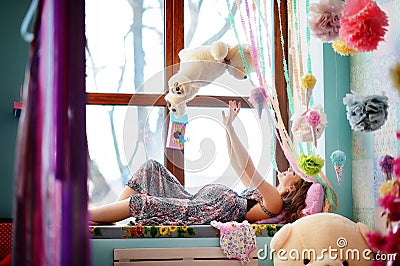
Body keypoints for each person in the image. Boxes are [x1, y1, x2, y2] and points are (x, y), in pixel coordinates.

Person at [89, 100, 311, 225]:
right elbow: (238, 164)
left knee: (141, 203)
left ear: (292, 187)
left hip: (204, 210)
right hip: (195, 200)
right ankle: (107, 219)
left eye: (293, 172)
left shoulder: (275, 202)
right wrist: (229, 127)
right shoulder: (264, 196)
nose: (288, 168)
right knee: (151, 168)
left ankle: (84, 217)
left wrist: (232, 129)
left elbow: (248, 168)